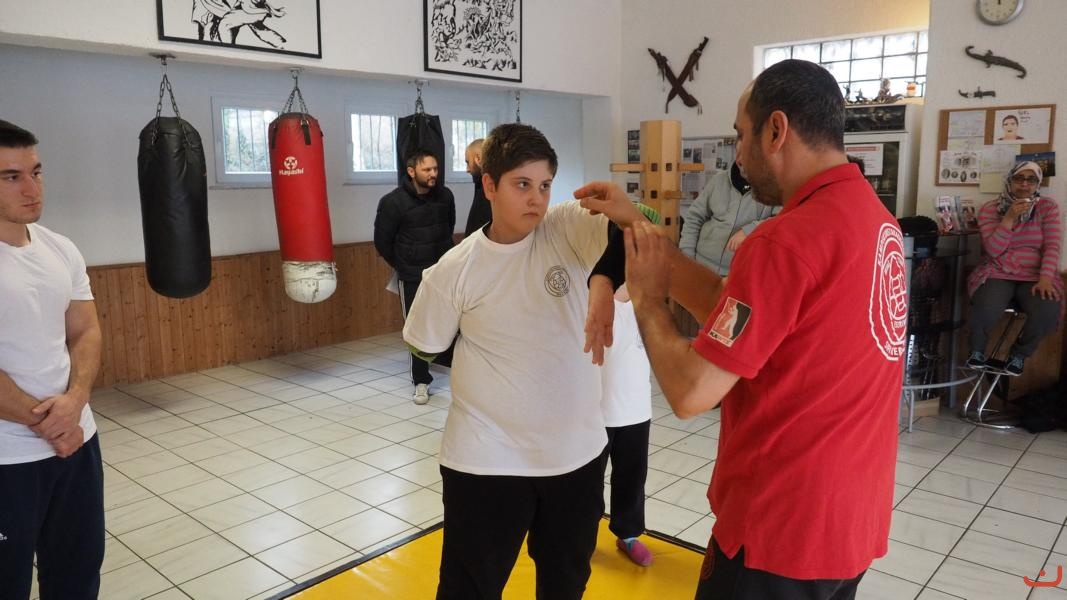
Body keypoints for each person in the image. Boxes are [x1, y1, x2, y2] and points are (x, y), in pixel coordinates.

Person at [579, 59, 906, 599]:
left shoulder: (785, 239)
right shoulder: (873, 218)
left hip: (779, 529)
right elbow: (731, 305)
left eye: (740, 134)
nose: (738, 153)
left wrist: (648, 301)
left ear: (776, 130)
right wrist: (634, 222)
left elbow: (691, 393)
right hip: (850, 519)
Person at [402, 123, 646, 599]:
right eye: (522, 185)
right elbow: (424, 345)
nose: (536, 199)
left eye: (544, 185)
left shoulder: (564, 227)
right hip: (486, 461)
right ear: (489, 185)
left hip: (575, 457)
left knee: (565, 585)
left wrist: (603, 277)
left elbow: (634, 230)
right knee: (469, 589)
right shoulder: (454, 269)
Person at [0, 119, 104, 599]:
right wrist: (47, 423)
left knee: (77, 574)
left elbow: (84, 331)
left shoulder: (61, 248)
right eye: (11, 177)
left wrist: (75, 401)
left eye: (36, 172)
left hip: (77, 442)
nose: (32, 189)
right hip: (8, 456)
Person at [374, 149, 456, 405]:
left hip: (442, 274)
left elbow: (449, 228)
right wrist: (404, 264)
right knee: (416, 328)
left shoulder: (445, 196)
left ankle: (454, 369)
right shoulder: (393, 202)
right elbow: (382, 242)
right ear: (411, 171)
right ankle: (421, 381)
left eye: (435, 169)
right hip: (412, 276)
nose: (433, 174)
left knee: (448, 323)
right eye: (427, 169)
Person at [965, 161, 1062, 375]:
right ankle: (976, 351)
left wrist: (1046, 278)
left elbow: (1052, 246)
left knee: (1047, 310)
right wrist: (1009, 217)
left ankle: (1019, 355)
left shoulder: (1047, 208)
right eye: (1019, 178)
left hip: (1035, 275)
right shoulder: (990, 209)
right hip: (998, 270)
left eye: (1031, 180)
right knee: (986, 305)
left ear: (1038, 184)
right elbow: (993, 250)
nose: (1024, 184)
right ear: (1010, 181)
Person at [600, 286, 654, 567]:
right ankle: (579, 533)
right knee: (586, 481)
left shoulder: (647, 302)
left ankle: (628, 534)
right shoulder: (597, 297)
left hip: (636, 409)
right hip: (596, 411)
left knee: (632, 477)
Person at [679, 161, 778, 275]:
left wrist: (749, 231)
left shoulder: (776, 187)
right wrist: (687, 256)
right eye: (739, 154)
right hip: (701, 264)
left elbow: (782, 222)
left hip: (740, 272)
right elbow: (694, 217)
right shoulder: (718, 180)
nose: (742, 158)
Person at [462, 138, 491, 236]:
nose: (467, 170)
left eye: (468, 162)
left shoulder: (489, 192)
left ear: (478, 159)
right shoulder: (481, 185)